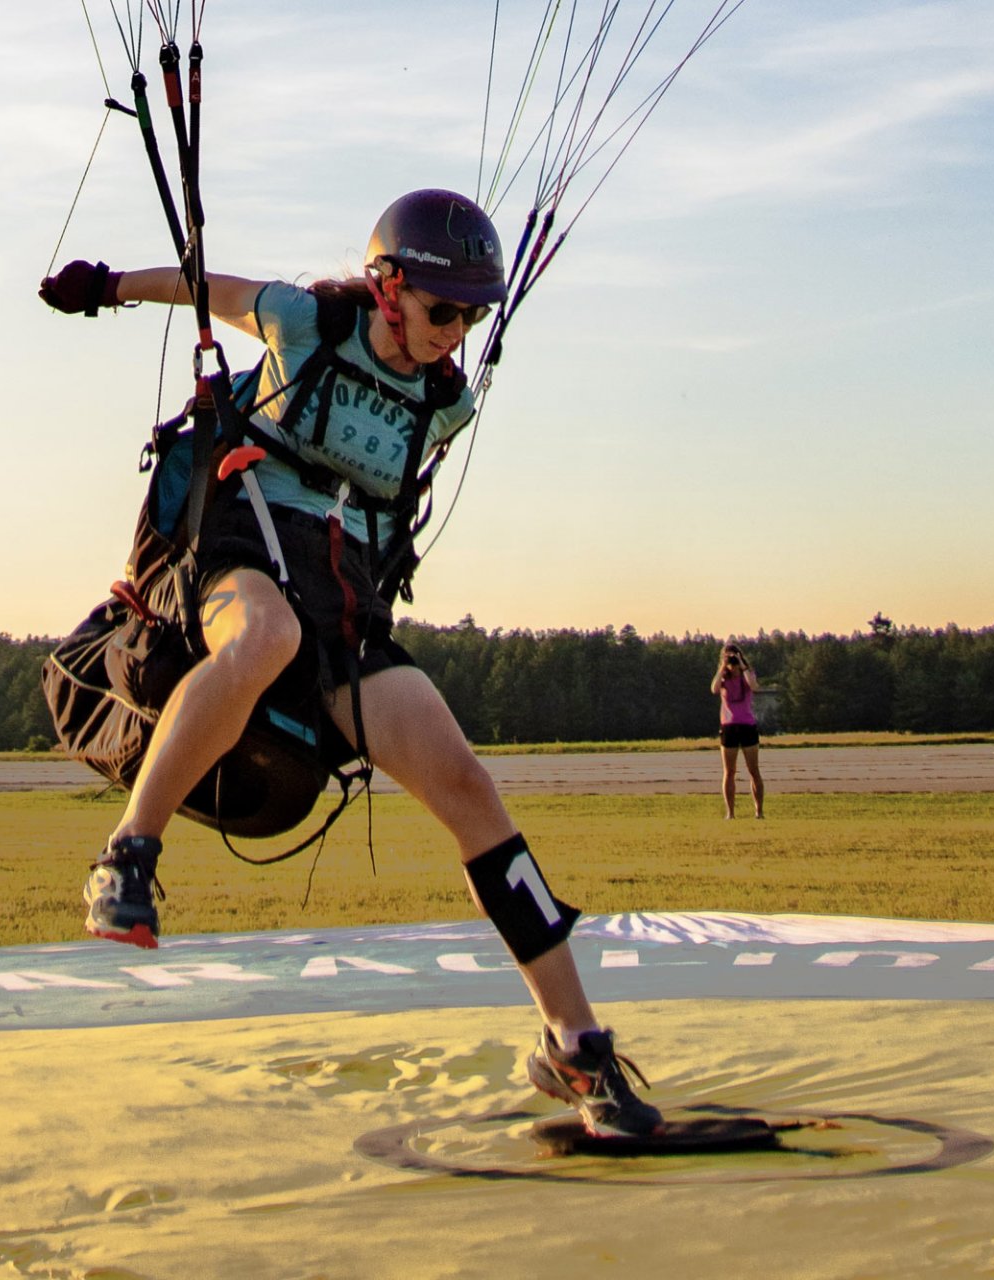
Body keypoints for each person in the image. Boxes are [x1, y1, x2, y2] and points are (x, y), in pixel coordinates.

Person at [39, 189, 663, 1137]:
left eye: (472, 316)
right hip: (239, 547)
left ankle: (575, 1047)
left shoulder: (446, 406)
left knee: (468, 786)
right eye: (443, 309)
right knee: (266, 639)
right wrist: (107, 287)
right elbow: (203, 289)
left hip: (343, 599)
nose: (455, 333)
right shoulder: (305, 323)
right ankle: (126, 856)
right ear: (388, 286)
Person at [711, 642, 765, 819]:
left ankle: (759, 811)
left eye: (734, 657)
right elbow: (714, 689)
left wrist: (742, 665)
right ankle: (730, 813)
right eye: (729, 658)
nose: (732, 662)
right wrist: (722, 667)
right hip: (729, 726)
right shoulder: (723, 679)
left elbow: (754, 686)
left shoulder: (747, 675)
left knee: (753, 770)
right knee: (729, 772)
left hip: (747, 725)